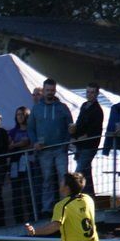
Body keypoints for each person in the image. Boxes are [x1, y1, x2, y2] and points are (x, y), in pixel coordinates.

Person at [28, 78, 73, 214]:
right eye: (47, 90)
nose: (50, 92)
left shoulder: (63, 108)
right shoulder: (36, 108)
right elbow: (30, 128)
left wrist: (66, 143)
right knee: (47, 179)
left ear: (55, 90)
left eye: (52, 90)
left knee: (63, 178)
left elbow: (70, 126)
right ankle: (47, 208)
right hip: (44, 150)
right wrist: (35, 142)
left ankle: (65, 206)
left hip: (60, 149)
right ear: (43, 90)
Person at [69, 83, 104, 196]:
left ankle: (73, 196)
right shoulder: (84, 106)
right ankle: (90, 197)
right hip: (81, 145)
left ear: (97, 94)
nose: (89, 94)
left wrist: (79, 137)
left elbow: (94, 130)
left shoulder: (97, 110)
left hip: (89, 146)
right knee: (86, 174)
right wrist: (74, 135)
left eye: (92, 92)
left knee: (78, 172)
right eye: (88, 92)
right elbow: (79, 123)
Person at [8, 107, 34, 224]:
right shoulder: (13, 131)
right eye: (18, 114)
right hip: (15, 164)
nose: (20, 117)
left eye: (22, 114)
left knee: (29, 190)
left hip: (29, 163)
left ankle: (33, 216)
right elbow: (9, 146)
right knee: (16, 192)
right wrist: (21, 144)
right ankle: (18, 219)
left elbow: (31, 144)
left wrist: (17, 145)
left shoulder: (31, 130)